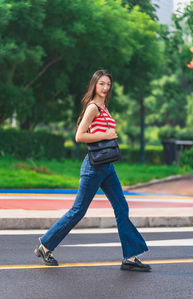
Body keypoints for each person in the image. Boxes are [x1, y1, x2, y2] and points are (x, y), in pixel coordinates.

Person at [34, 69, 151, 272]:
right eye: (101, 84)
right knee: (78, 210)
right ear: (94, 85)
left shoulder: (104, 106)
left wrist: (107, 134)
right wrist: (105, 135)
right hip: (94, 167)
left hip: (107, 167)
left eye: (108, 84)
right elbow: (79, 136)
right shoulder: (93, 107)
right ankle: (45, 246)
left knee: (122, 208)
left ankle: (130, 258)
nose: (105, 88)